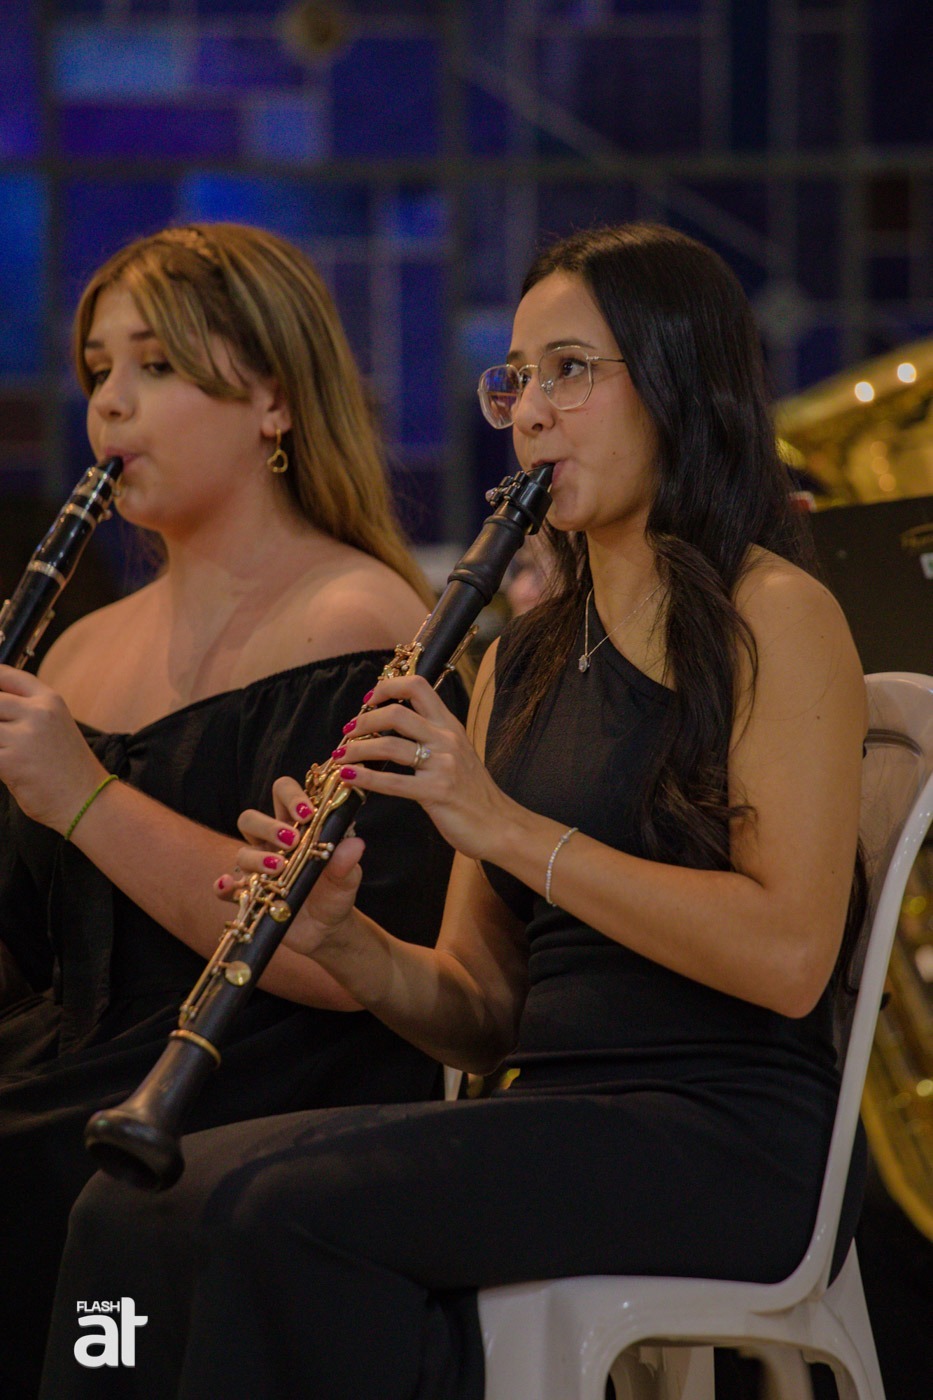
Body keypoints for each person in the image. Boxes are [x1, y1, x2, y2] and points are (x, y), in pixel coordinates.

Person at [42, 222, 868, 1400]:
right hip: (552, 1114)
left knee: (282, 1215)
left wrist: (507, 826)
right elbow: (480, 1010)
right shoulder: (519, 658)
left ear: (678, 381)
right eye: (515, 378)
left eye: (570, 371)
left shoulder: (774, 613)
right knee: (124, 1210)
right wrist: (348, 941)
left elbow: (789, 957)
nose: (528, 412)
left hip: (728, 1134)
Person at [0, 222, 466, 1398]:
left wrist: (84, 794)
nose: (110, 403)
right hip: (83, 1049)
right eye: (98, 369)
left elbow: (341, 962)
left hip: (261, 1075)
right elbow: (38, 951)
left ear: (272, 398)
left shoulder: (357, 620)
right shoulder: (81, 647)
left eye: (155, 364)